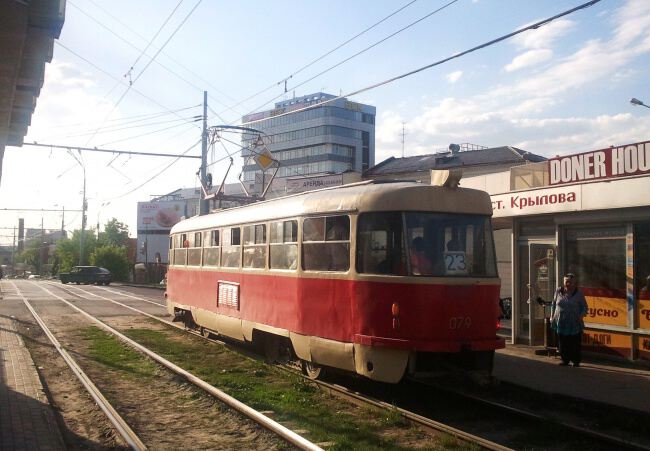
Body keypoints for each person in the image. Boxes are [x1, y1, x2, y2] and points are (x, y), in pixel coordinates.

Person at [551, 273, 588, 367]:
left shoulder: (578, 294)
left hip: (574, 322)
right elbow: (554, 304)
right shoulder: (558, 291)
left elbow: (585, 307)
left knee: (574, 342)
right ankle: (565, 360)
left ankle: (576, 361)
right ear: (564, 283)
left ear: (575, 283)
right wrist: (552, 316)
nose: (569, 284)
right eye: (567, 282)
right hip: (561, 321)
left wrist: (581, 316)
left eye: (571, 282)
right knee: (563, 342)